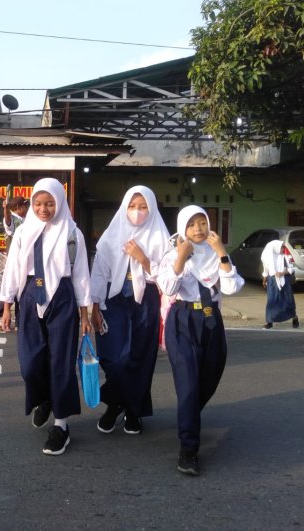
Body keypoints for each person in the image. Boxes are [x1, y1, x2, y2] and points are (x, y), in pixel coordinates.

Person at [0, 177, 92, 456]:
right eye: (38, 203)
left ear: (60, 203)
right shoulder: (24, 232)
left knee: (60, 362)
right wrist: (6, 305)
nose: (43, 209)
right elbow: (13, 269)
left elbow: (82, 275)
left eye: (50, 203)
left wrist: (85, 313)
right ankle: (44, 399)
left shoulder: (72, 233)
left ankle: (61, 426)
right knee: (29, 363)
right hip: (29, 297)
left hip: (62, 298)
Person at [157, 205, 244, 476]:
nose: (198, 228)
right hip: (182, 320)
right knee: (188, 383)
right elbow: (168, 288)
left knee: (209, 378)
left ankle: (189, 414)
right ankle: (189, 449)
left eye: (202, 222)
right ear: (183, 227)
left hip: (211, 321)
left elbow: (231, 286)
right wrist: (181, 258)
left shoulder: (217, 255)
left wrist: (221, 253)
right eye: (192, 224)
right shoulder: (173, 254)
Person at [90, 186, 171, 436]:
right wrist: (93, 304)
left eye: (143, 206)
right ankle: (117, 404)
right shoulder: (111, 235)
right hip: (113, 300)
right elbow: (99, 271)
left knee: (139, 358)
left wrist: (143, 258)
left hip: (145, 301)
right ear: (125, 207)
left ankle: (131, 411)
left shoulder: (160, 236)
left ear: (152, 208)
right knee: (114, 357)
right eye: (133, 206)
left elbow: (167, 277)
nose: (137, 212)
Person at [0, 195, 28, 332]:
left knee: (19, 293)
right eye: (25, 206)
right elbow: (8, 222)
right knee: (11, 292)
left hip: (23, 260)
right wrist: (5, 209)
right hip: (15, 261)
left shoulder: (23, 220)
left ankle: (19, 322)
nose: (27, 208)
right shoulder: (13, 220)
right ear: (18, 207)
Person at [261, 239, 299, 329]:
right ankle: (269, 322)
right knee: (271, 301)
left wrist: (282, 273)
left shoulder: (285, 256)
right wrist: (264, 280)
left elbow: (292, 268)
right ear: (275, 248)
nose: (283, 249)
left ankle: (294, 317)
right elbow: (265, 269)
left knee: (288, 301)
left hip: (284, 281)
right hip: (272, 281)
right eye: (282, 247)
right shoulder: (266, 256)